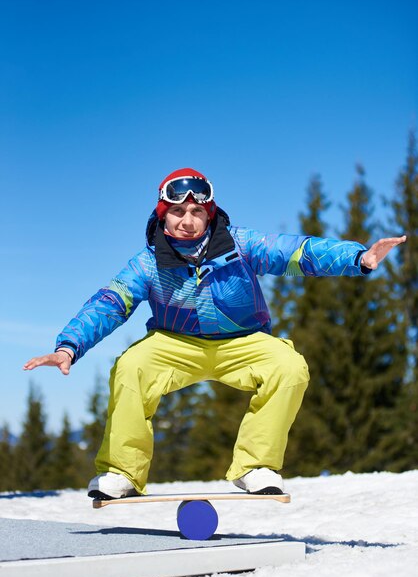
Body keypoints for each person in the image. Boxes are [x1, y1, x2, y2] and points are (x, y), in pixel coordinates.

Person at [23, 167, 407, 499]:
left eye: (195, 211)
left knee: (288, 367)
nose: (186, 220)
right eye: (176, 211)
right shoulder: (147, 262)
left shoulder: (240, 245)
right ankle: (122, 473)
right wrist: (69, 347)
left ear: (209, 215)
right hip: (175, 344)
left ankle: (255, 467)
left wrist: (358, 258)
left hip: (243, 341)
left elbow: (297, 252)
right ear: (162, 215)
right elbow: (110, 303)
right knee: (131, 368)